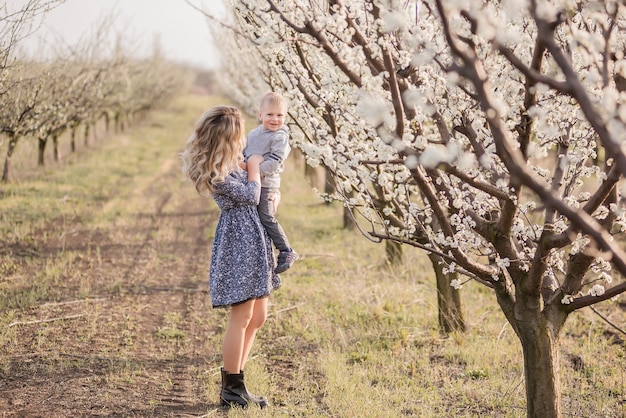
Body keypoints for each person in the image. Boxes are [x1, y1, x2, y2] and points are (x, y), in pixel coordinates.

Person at [180, 105, 280, 409]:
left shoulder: (236, 163)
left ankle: (238, 383)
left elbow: (261, 194)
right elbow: (251, 195)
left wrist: (272, 193)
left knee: (258, 316)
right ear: (228, 137)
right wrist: (254, 167)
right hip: (239, 244)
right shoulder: (217, 172)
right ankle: (232, 388)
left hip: (255, 238)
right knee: (242, 316)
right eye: (239, 133)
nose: (244, 139)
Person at [242, 92, 298, 274]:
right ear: (260, 115)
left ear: (286, 116)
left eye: (280, 115)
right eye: (270, 114)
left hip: (267, 185)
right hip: (252, 181)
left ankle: (286, 250)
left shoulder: (280, 137)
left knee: (266, 216)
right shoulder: (253, 134)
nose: (275, 119)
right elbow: (245, 154)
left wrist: (252, 171)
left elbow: (274, 162)